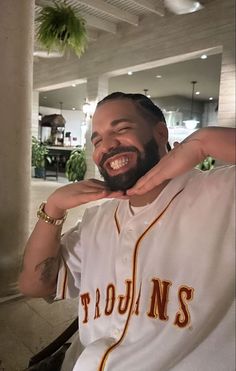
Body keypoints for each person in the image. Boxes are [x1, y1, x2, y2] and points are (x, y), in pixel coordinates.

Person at [19, 92, 235, 371]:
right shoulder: (97, 218)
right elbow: (34, 285)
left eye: (121, 129)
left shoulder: (222, 194)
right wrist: (54, 208)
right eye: (96, 140)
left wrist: (202, 143)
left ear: (160, 132)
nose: (106, 146)